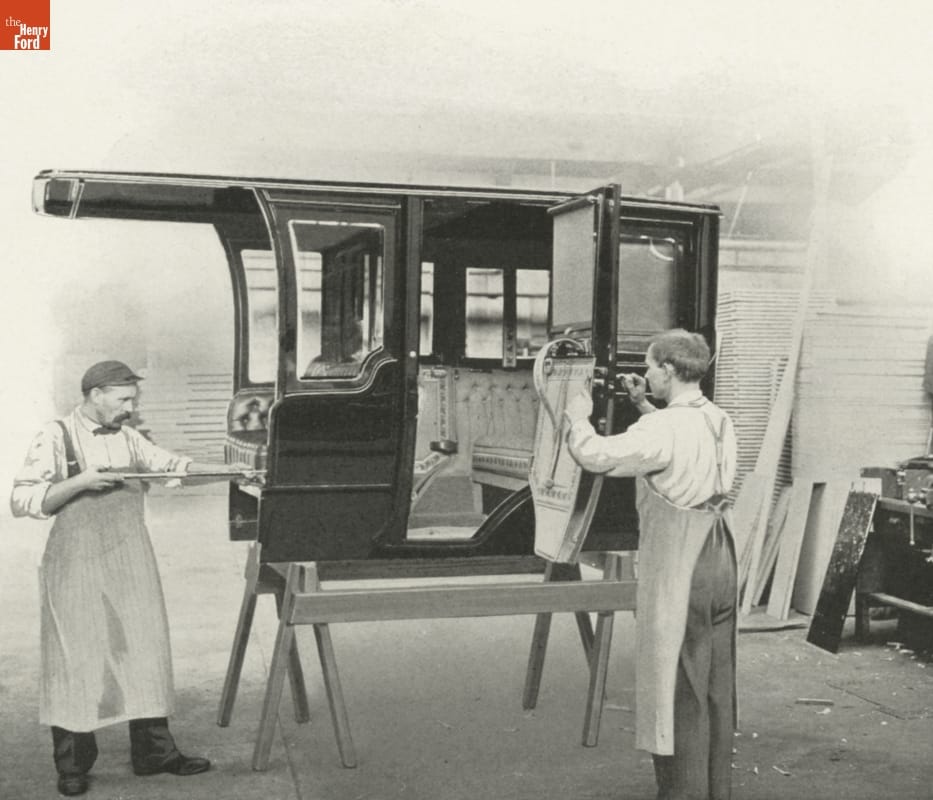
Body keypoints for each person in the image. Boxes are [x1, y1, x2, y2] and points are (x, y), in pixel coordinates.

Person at [10, 360, 245, 797]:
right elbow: (20, 500)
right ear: (95, 394)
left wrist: (232, 471)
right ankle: (73, 765)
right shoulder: (56, 435)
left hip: (130, 561)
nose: (130, 408)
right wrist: (80, 482)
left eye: (132, 400)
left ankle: (154, 753)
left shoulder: (129, 437)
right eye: (123, 400)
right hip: (75, 564)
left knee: (144, 650)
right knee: (76, 658)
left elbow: (172, 468)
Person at [563, 329, 738, 800]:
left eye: (649, 366)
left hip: (683, 566)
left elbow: (595, 456)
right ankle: (715, 791)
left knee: (679, 687)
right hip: (720, 556)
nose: (645, 373)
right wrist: (643, 404)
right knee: (715, 685)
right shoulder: (719, 418)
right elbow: (678, 444)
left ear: (669, 369)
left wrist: (577, 417)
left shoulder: (661, 430)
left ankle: (683, 794)